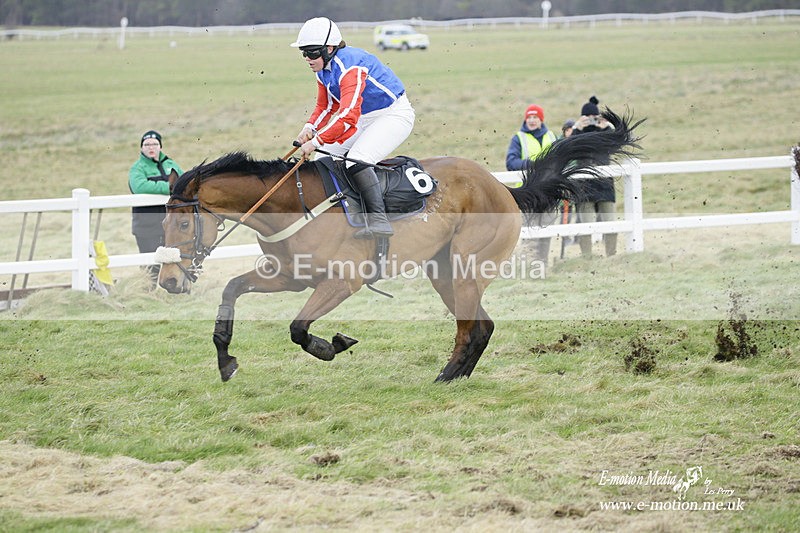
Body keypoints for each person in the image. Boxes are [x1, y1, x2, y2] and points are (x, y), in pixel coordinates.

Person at [292, 17, 415, 239]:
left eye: (311, 52)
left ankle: (379, 220)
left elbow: (348, 115)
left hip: (393, 114)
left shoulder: (350, 66)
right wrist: (309, 127)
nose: (307, 59)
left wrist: (317, 141)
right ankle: (341, 213)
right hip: (365, 117)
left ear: (329, 48)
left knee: (356, 159)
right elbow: (327, 105)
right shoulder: (323, 69)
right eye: (303, 53)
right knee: (323, 161)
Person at [505, 103, 559, 263]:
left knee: (546, 227)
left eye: (535, 117)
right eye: (529, 117)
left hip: (548, 192)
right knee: (529, 228)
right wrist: (534, 164)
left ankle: (542, 262)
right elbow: (511, 163)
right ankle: (528, 263)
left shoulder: (551, 136)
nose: (532, 120)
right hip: (528, 193)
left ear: (541, 119)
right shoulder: (519, 138)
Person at [128, 130, 183, 284]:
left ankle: (173, 289)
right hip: (146, 224)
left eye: (154, 144)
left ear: (160, 146)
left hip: (170, 224)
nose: (151, 147)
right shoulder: (137, 168)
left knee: (173, 259)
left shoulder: (171, 164)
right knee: (150, 262)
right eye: (146, 144)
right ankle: (148, 293)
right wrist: (169, 187)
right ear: (141, 148)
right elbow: (139, 186)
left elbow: (183, 181)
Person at [571, 96, 617, 257]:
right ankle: (587, 257)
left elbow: (617, 144)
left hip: (604, 185)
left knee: (611, 223)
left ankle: (611, 255)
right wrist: (577, 128)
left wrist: (608, 127)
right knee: (585, 225)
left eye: (593, 117)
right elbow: (570, 150)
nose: (591, 120)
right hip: (584, 187)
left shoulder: (605, 131)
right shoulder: (577, 132)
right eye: (587, 117)